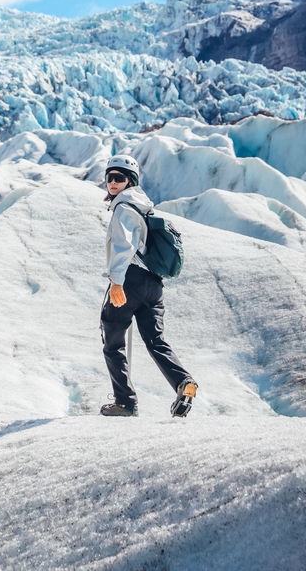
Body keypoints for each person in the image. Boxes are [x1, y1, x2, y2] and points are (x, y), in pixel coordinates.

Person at [100, 154, 198, 418]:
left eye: (119, 178)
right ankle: (183, 382)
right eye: (109, 177)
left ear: (130, 181)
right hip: (153, 284)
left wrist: (117, 283)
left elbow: (124, 247)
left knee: (112, 338)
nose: (112, 182)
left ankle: (125, 403)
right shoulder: (142, 207)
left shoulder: (124, 208)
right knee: (156, 340)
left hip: (129, 279)